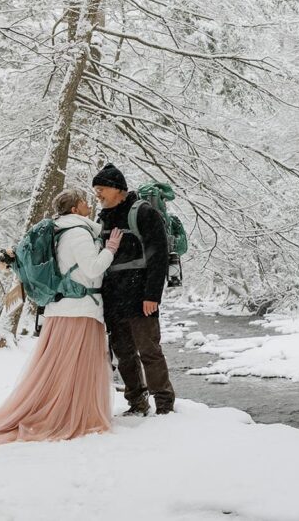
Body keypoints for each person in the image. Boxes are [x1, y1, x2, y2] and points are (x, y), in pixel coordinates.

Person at [0, 188, 123, 448]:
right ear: (74, 209)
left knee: (61, 368)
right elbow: (93, 268)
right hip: (79, 310)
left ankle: (66, 411)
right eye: (84, 202)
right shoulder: (78, 232)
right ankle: (70, 416)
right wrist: (110, 248)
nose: (89, 204)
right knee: (77, 367)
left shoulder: (59, 230)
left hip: (62, 309)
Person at [92, 163, 175, 416]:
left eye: (101, 189)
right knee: (124, 354)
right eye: (96, 190)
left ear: (118, 189)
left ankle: (164, 405)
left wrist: (152, 295)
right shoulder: (103, 217)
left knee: (149, 351)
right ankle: (137, 403)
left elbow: (158, 255)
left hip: (140, 296)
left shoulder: (144, 212)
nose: (98, 194)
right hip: (114, 298)